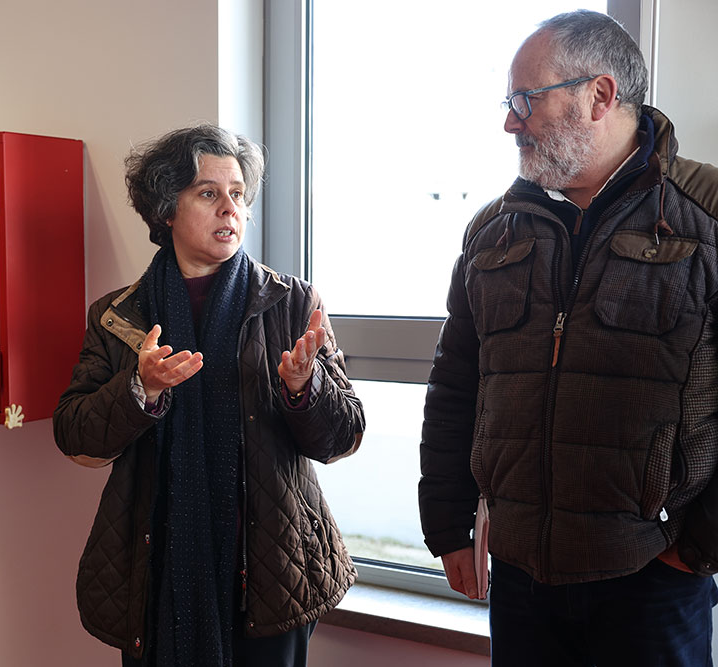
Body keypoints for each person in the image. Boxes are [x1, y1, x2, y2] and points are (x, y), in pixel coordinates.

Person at [419, 9, 718, 667]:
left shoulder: (707, 219)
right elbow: (456, 384)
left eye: (526, 100)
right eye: (509, 103)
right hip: (522, 577)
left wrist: (699, 547)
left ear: (600, 95)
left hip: (654, 579)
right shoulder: (492, 231)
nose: (510, 122)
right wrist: (446, 523)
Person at [54, 124, 365, 667]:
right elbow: (75, 436)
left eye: (238, 194)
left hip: (271, 574)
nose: (230, 209)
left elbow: (343, 437)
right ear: (166, 209)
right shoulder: (118, 315)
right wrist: (141, 389)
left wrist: (304, 388)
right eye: (208, 193)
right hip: (153, 572)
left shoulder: (292, 303)